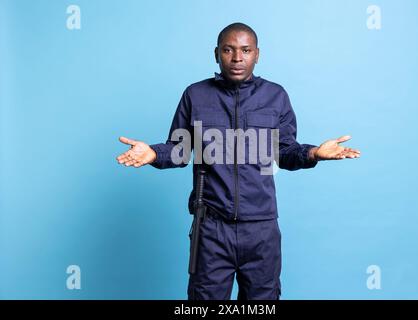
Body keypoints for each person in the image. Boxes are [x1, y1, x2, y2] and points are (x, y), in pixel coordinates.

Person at [116, 22, 361, 300]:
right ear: (216, 53)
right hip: (211, 231)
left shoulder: (275, 96)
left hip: (261, 230)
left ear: (257, 54)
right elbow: (180, 150)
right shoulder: (195, 95)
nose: (236, 58)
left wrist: (313, 152)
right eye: (228, 50)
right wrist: (153, 154)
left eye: (245, 50)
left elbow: (285, 152)